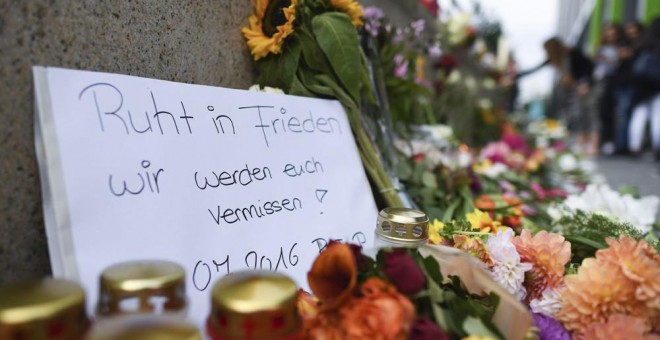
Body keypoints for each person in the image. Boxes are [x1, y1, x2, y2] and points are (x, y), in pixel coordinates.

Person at [544, 37, 597, 156]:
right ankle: (580, 144)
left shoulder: (573, 53)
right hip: (572, 90)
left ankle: (588, 144)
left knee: (585, 114)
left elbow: (589, 67)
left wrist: (585, 82)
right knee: (574, 114)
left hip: (583, 87)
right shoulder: (557, 59)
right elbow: (536, 67)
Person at [628, 18, 660, 160]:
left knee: (639, 115)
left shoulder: (643, 42)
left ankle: (634, 146)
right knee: (657, 117)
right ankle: (656, 148)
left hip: (641, 85)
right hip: (656, 84)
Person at [612, 21, 645, 154]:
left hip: (635, 84)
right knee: (623, 114)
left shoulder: (642, 44)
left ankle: (627, 145)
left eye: (633, 28)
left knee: (629, 114)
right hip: (622, 83)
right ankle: (622, 145)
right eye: (628, 28)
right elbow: (619, 57)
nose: (630, 31)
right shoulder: (623, 43)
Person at [593, 23, 624, 155]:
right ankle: (600, 141)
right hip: (600, 82)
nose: (610, 36)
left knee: (612, 113)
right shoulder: (600, 48)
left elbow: (618, 63)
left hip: (614, 82)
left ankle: (610, 141)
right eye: (608, 33)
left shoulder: (620, 48)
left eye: (613, 33)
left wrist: (607, 59)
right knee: (599, 112)